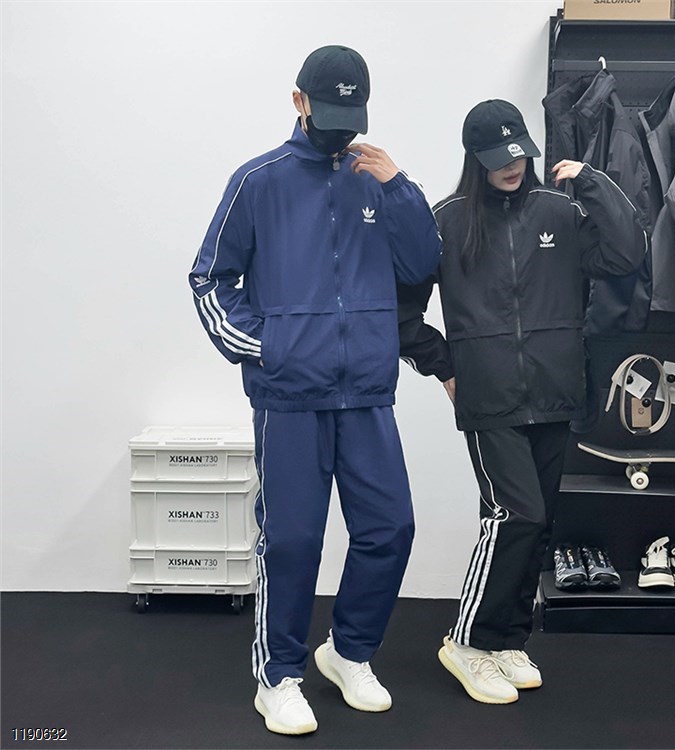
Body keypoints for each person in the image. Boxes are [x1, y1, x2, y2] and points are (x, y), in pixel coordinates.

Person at [189, 45, 442, 735]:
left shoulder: (379, 181)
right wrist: (267, 348)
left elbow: (424, 265)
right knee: (293, 541)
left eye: (351, 117)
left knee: (390, 529)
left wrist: (400, 187)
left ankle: (349, 652)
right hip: (290, 397)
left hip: (366, 392)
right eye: (326, 113)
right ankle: (278, 676)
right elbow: (209, 278)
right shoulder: (258, 181)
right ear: (299, 101)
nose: (340, 130)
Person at [398, 99, 646, 705]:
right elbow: (401, 311)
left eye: (519, 154)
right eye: (498, 158)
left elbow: (626, 254)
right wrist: (445, 367)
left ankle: (507, 639)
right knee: (514, 515)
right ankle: (467, 642)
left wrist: (591, 181)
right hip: (490, 397)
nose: (512, 166)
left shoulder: (562, 210)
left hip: (555, 393)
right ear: (474, 159)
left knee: (539, 523)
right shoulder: (447, 222)